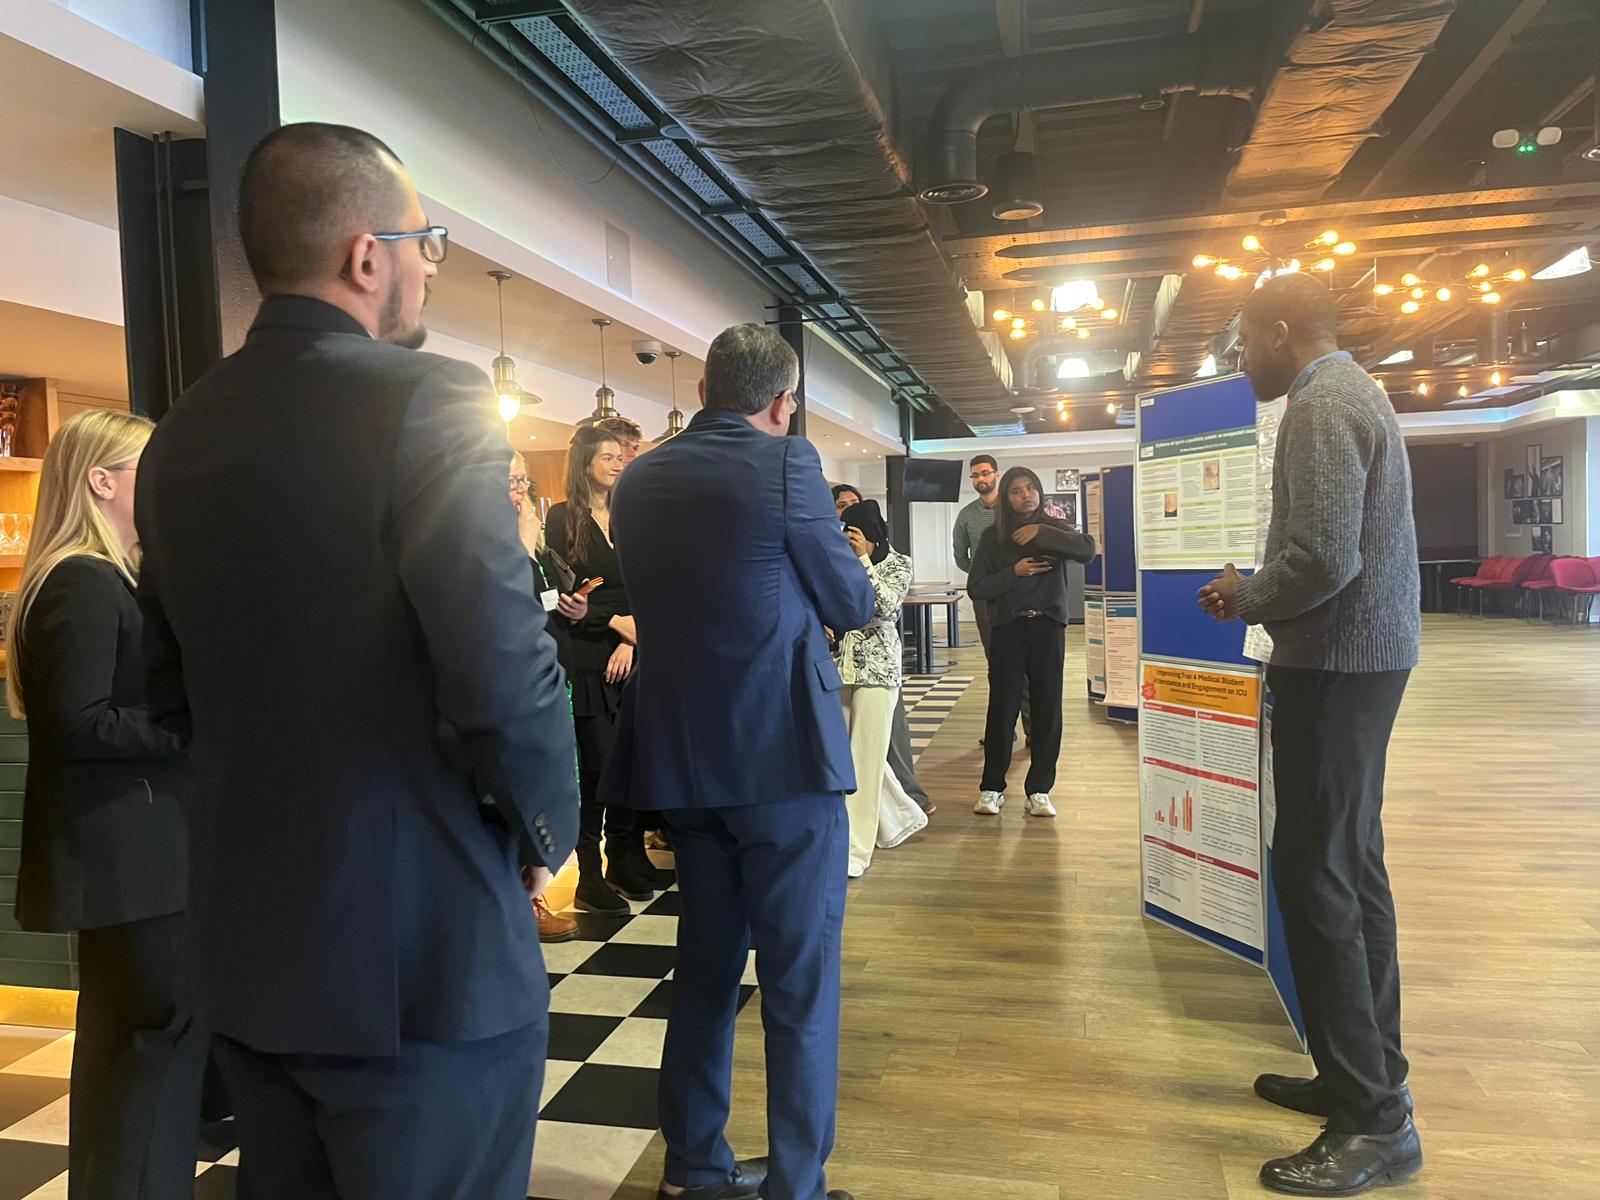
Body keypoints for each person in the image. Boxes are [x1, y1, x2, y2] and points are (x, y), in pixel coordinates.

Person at [133, 122, 579, 1200]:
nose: (433, 263)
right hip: (421, 960)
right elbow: (501, 666)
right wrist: (545, 829)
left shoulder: (180, 432)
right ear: (364, 254)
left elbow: (162, 687)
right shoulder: (430, 400)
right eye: (425, 239)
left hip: (250, 945)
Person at [602, 323, 873, 1200]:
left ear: (711, 385)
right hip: (781, 758)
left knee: (706, 973)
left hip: (683, 760)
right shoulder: (789, 464)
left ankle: (692, 1165)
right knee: (799, 982)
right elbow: (852, 601)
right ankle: (796, 1182)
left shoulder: (639, 478)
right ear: (782, 401)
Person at [1197, 273, 1422, 1197]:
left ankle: (1373, 1122)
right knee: (1350, 863)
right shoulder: (1352, 391)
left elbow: (1325, 558)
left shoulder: (1322, 404)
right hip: (1361, 660)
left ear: (1282, 330)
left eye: (1244, 341)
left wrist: (1240, 595)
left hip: (1335, 664)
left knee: (1315, 872)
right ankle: (1367, 1074)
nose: (1239, 358)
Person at [5, 410, 207, 1200]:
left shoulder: (108, 575)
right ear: (101, 480)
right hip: (133, 861)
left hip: (141, 858)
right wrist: (191, 725)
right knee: (149, 1057)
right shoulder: (82, 581)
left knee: (130, 1057)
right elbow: (75, 724)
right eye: (145, 468)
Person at [545, 426, 671, 912]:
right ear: (584, 465)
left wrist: (632, 635)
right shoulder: (561, 519)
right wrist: (617, 622)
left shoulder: (628, 516)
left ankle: (625, 852)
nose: (620, 464)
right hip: (587, 652)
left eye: (623, 457)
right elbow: (567, 597)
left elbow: (652, 583)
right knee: (598, 767)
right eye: (609, 457)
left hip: (632, 647)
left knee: (632, 758)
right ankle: (589, 874)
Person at [967, 466, 1094, 817]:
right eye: (1017, 491)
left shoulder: (1055, 529)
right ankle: (992, 787)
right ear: (1005, 497)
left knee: (1047, 709)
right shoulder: (994, 538)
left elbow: (1088, 550)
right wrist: (1015, 573)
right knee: (1003, 709)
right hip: (1008, 628)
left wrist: (1042, 530)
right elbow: (977, 587)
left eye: (1031, 488)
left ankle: (1039, 789)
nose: (1026, 496)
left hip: (1048, 628)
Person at [510, 454, 586, 944]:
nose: (520, 491)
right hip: (511, 698)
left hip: (546, 678)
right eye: (512, 480)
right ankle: (521, 903)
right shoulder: (481, 547)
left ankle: (530, 893)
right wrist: (520, 545)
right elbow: (508, 617)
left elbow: (539, 603)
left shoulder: (528, 542)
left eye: (523, 480)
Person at [835, 499, 927, 877]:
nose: (848, 538)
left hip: (879, 672)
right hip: (842, 668)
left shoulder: (898, 563)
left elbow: (885, 606)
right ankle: (902, 817)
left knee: (865, 760)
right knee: (849, 758)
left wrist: (862, 562)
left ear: (870, 533)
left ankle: (856, 851)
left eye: (854, 531)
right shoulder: (840, 562)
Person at [954, 454, 1030, 744]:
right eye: (974, 475)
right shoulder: (967, 516)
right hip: (986, 599)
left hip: (1021, 593)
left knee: (1026, 662)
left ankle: (1033, 729)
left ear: (996, 475)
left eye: (985, 473)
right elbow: (961, 557)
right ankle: (1003, 731)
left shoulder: (1013, 509)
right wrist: (983, 577)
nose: (980, 479)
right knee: (997, 663)